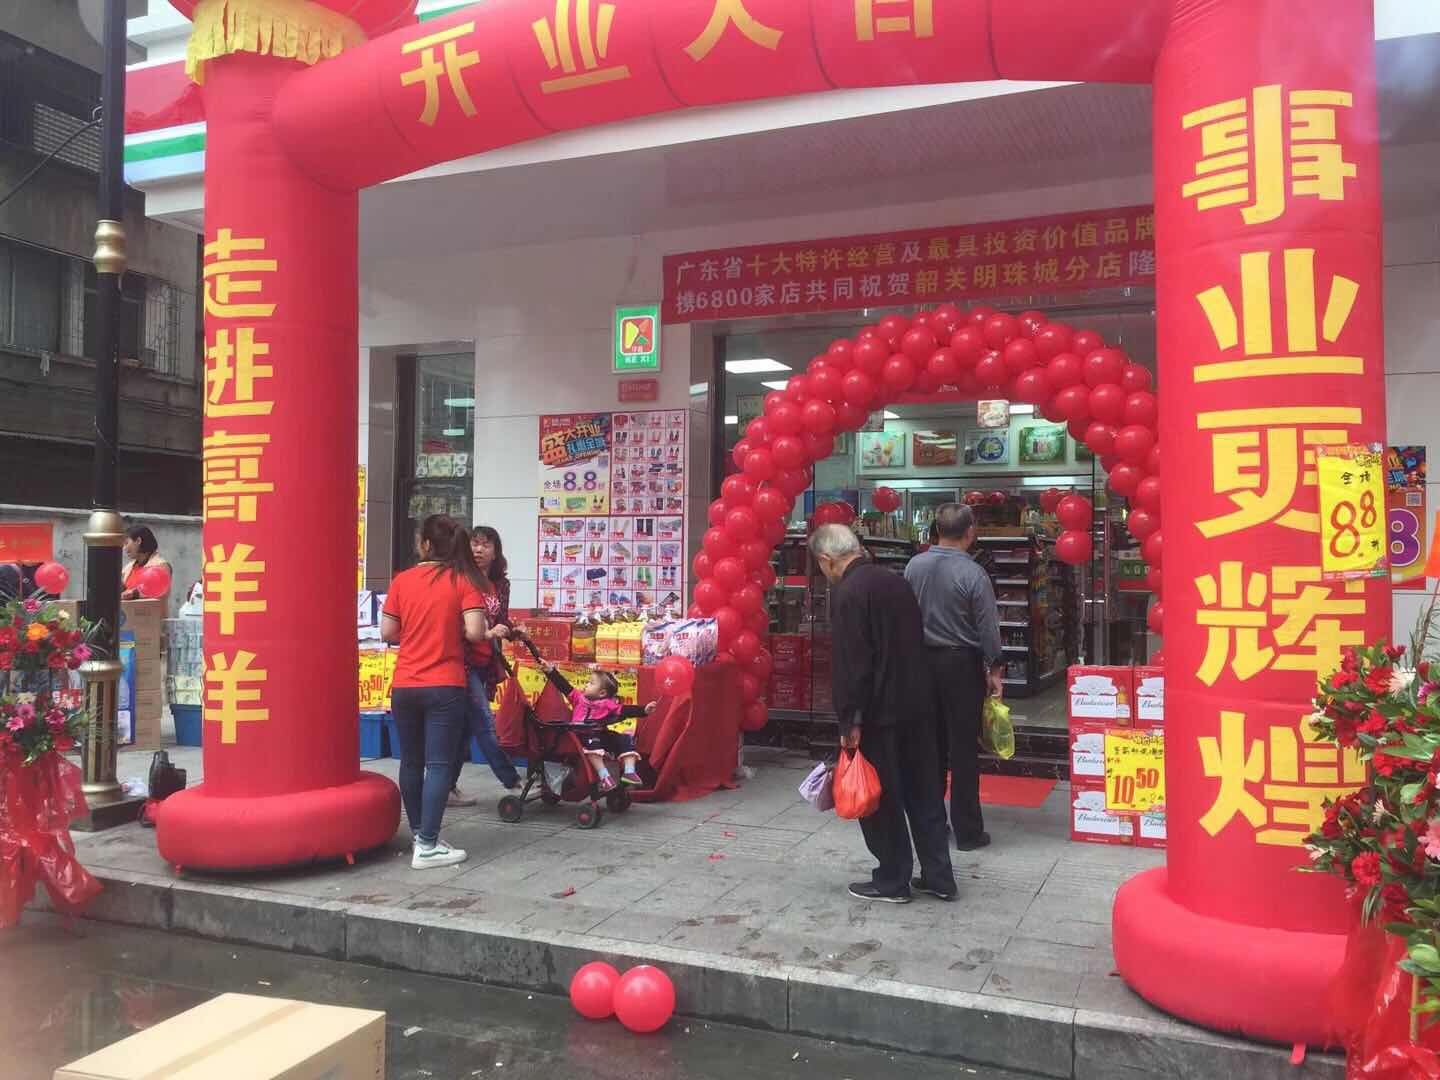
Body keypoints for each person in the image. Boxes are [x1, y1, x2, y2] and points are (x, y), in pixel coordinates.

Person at [810, 524, 955, 904]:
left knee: (881, 799)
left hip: (879, 713)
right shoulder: (895, 581)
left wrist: (849, 719)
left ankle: (893, 879)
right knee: (925, 794)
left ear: (827, 559)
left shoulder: (849, 593)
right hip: (919, 706)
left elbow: (853, 663)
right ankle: (940, 877)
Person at [381, 515, 491, 870]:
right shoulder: (463, 581)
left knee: (411, 762)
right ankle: (428, 845)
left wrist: (417, 631)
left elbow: (387, 632)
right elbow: (475, 632)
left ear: (426, 545)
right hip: (445, 684)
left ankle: (419, 836)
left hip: (405, 685)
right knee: (440, 764)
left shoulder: (402, 580)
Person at [904, 502, 1004, 851]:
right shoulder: (974, 573)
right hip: (961, 665)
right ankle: (968, 831)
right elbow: (988, 626)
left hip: (921, 663)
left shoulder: (914, 566)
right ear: (970, 532)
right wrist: (995, 668)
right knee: (963, 750)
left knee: (928, 747)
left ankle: (932, 825)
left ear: (936, 530)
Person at [448, 526, 521, 806]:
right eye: (474, 544)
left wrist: (514, 631)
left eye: (486, 545)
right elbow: (454, 623)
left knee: (465, 729)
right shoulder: (460, 579)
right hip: (463, 663)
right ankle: (513, 781)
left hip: (485, 664)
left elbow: (501, 619)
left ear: (495, 552)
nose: (478, 549)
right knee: (485, 723)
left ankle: (447, 789)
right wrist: (487, 633)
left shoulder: (500, 584)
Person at [538, 661, 655, 792]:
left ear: (602, 693)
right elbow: (563, 686)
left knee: (625, 739)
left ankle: (629, 772)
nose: (586, 684)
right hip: (581, 737)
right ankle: (604, 777)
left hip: (600, 735)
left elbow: (624, 710)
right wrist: (551, 671)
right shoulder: (578, 698)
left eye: (591, 683)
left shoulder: (607, 704)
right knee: (593, 742)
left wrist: (644, 710)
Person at [121, 526, 171, 600]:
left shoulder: (161, 566)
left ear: (138, 541)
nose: (124, 548)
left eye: (126, 543)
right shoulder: (128, 567)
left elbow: (161, 592)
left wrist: (134, 594)